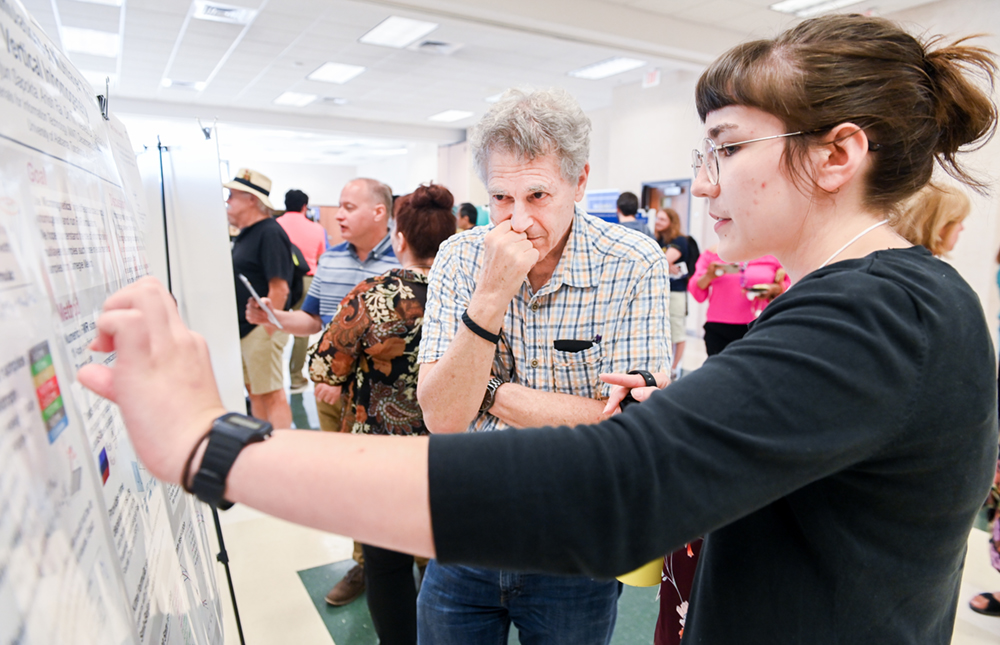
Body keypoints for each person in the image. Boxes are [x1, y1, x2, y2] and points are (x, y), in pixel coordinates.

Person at [77, 14, 998, 644]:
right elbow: (564, 434)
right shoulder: (862, 305)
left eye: (724, 148)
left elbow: (612, 484)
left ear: (837, 154)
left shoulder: (879, 314)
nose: (705, 182)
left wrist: (216, 445)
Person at [414, 88, 671, 644]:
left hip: (574, 541)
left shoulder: (632, 263)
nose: (519, 219)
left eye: (538, 194)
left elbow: (628, 430)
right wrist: (490, 296)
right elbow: (441, 415)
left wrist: (487, 389)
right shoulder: (462, 256)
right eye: (501, 198)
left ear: (578, 183)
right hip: (466, 527)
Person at [306, 184, 456, 644]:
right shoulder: (470, 296)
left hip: (382, 457)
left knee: (386, 565)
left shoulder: (374, 295)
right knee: (448, 562)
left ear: (400, 239)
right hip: (451, 454)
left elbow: (325, 367)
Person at [246, 177, 398, 607]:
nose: (340, 215)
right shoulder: (330, 261)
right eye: (341, 206)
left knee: (398, 479)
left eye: (350, 207)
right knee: (351, 483)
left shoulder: (406, 262)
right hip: (334, 395)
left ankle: (423, 562)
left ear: (379, 213)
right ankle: (364, 561)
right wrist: (273, 318)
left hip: (391, 402)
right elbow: (314, 322)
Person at [224, 168, 294, 429]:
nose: (228, 201)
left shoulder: (269, 233)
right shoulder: (246, 234)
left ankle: (282, 452)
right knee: (255, 391)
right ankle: (262, 444)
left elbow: (280, 288)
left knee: (271, 393)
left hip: (261, 329)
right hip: (247, 328)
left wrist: (267, 329)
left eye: (232, 195)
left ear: (251, 199)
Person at [687, 249, 787, 355]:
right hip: (719, 327)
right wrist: (709, 275)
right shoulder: (712, 255)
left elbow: (789, 285)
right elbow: (697, 292)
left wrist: (776, 289)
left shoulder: (772, 256)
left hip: (759, 325)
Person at [276, 189, 327, 392]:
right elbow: (322, 256)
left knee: (274, 324)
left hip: (279, 279)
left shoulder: (275, 226)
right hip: (307, 281)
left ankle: (274, 380)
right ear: (305, 206)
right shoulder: (316, 228)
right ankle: (296, 377)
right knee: (302, 330)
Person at [653, 208, 700, 379]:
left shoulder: (680, 241)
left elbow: (659, 261)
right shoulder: (659, 241)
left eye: (662, 219)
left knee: (677, 331)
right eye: (657, 218)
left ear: (671, 222)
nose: (657, 222)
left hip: (676, 293)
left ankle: (673, 367)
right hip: (662, 292)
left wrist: (663, 264)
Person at [894, 182, 971, 256]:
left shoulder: (889, 256)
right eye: (959, 221)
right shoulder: (928, 268)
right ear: (940, 225)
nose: (961, 228)